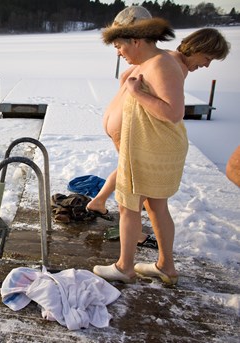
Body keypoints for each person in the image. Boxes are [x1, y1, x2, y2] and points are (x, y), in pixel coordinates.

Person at [87, 26, 231, 249]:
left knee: (131, 176)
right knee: (139, 186)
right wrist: (136, 97)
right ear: (198, 48)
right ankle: (134, 234)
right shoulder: (174, 66)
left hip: (116, 122)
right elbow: (172, 113)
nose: (206, 65)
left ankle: (99, 201)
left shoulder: (160, 57)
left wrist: (126, 99)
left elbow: (126, 76)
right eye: (207, 58)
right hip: (128, 128)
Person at [92, 6, 187, 286]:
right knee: (155, 206)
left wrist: (134, 93)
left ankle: (124, 267)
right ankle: (166, 267)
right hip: (146, 150)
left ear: (135, 40)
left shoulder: (161, 64)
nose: (118, 52)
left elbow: (173, 112)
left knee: (127, 207)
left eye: (119, 45)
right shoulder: (148, 64)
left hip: (150, 151)